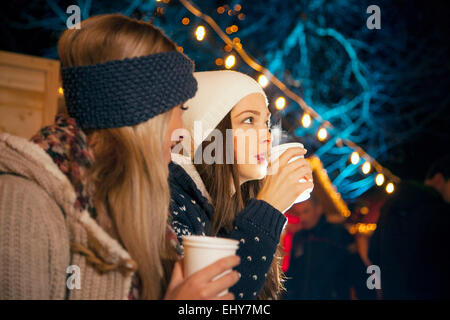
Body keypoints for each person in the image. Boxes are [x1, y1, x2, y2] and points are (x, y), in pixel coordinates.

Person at [0, 14, 240, 300]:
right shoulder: (24, 202)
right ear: (138, 116)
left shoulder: (135, 207)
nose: (180, 130)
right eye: (178, 109)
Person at [168, 70, 314, 299]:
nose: (267, 135)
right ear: (209, 133)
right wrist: (269, 209)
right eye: (249, 120)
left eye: (265, 122)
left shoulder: (235, 210)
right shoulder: (172, 203)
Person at [369, 154, 450, 299]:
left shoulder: (391, 206)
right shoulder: (439, 213)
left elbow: (374, 252)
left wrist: (381, 287)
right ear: (439, 179)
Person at [284, 193, 375, 300]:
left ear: (318, 209)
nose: (302, 217)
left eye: (306, 211)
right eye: (298, 213)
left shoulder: (338, 233)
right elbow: (292, 273)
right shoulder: (299, 237)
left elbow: (357, 271)